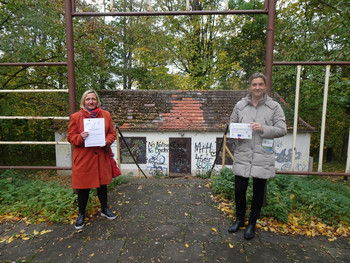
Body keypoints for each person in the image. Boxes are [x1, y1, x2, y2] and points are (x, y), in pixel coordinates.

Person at [228, 73, 287, 239]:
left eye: (260, 84)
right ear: (250, 86)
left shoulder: (274, 107)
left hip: (262, 155)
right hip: (243, 154)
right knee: (239, 190)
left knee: (258, 192)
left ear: (265, 86)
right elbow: (232, 124)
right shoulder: (240, 105)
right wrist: (236, 133)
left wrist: (263, 128)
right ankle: (240, 219)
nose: (257, 88)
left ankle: (252, 224)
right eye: (254, 84)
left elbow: (282, 129)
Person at [68, 89, 117, 230]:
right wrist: (80, 137)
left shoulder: (106, 115)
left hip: (101, 156)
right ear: (84, 101)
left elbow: (111, 134)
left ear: (97, 101)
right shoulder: (76, 117)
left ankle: (104, 209)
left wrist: (107, 142)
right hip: (84, 158)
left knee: (102, 185)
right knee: (83, 188)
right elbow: (71, 137)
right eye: (88, 99)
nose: (91, 101)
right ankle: (81, 214)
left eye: (93, 99)